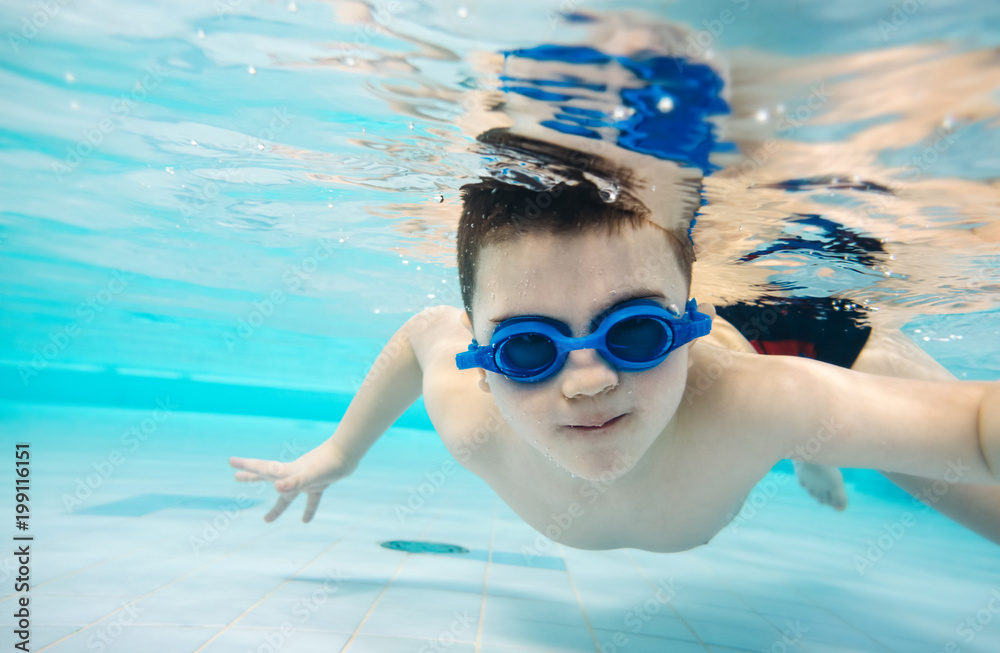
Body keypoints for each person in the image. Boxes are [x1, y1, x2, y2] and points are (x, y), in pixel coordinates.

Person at [230, 18, 1000, 551]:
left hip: (782, 328)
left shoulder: (758, 397)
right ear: (484, 355)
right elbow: (421, 333)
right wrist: (338, 451)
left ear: (688, 321)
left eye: (636, 331)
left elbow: (975, 432)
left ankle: (811, 448)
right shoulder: (472, 418)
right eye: (530, 349)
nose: (588, 382)